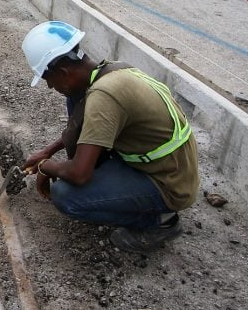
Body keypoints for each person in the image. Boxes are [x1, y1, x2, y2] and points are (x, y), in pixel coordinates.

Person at [19, 21, 199, 253]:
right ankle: (121, 192)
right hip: (165, 165)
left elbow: (78, 174)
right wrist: (50, 150)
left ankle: (160, 222)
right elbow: (94, 125)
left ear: (63, 72)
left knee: (65, 195)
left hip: (169, 183)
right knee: (76, 100)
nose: (50, 88)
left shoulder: (105, 97)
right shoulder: (110, 71)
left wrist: (46, 167)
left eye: (48, 81)